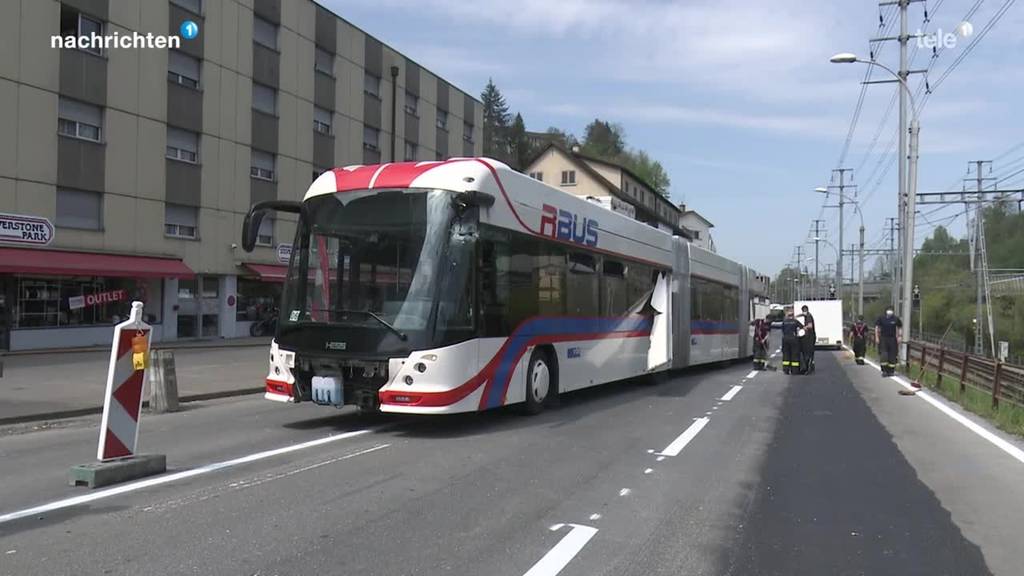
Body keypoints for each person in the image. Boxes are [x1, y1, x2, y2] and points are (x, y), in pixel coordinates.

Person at [875, 306, 902, 377]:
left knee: (892, 355)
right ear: (886, 311)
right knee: (884, 355)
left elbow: (900, 327)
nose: (890, 311)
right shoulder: (881, 318)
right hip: (883, 338)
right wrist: (877, 337)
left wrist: (899, 336)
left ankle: (891, 371)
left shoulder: (895, 319)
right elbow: (877, 327)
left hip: (892, 339)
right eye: (889, 310)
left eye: (891, 310)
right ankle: (884, 371)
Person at [779, 310, 804, 375]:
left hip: (785, 339)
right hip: (794, 339)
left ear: (787, 316)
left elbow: (782, 330)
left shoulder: (784, 322)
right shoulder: (795, 321)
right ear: (793, 315)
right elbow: (802, 328)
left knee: (786, 355)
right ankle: (795, 370)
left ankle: (786, 370)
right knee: (794, 355)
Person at [797, 305, 816, 374]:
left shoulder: (808, 317)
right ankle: (811, 365)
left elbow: (810, 326)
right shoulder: (807, 315)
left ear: (805, 310)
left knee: (808, 351)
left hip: (810, 337)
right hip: (811, 336)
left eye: (803, 311)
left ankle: (808, 367)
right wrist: (797, 316)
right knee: (810, 352)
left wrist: (804, 327)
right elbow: (802, 314)